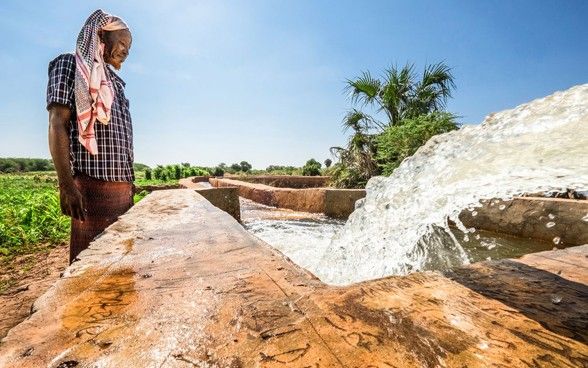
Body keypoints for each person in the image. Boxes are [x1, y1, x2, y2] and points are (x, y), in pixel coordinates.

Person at [47, 9, 134, 263]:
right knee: (90, 265)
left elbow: (124, 139)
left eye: (129, 47)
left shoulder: (115, 84)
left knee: (120, 263)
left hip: (122, 187)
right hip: (91, 186)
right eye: (122, 42)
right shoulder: (70, 65)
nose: (126, 51)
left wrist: (130, 183)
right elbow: (58, 124)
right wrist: (67, 185)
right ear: (100, 36)